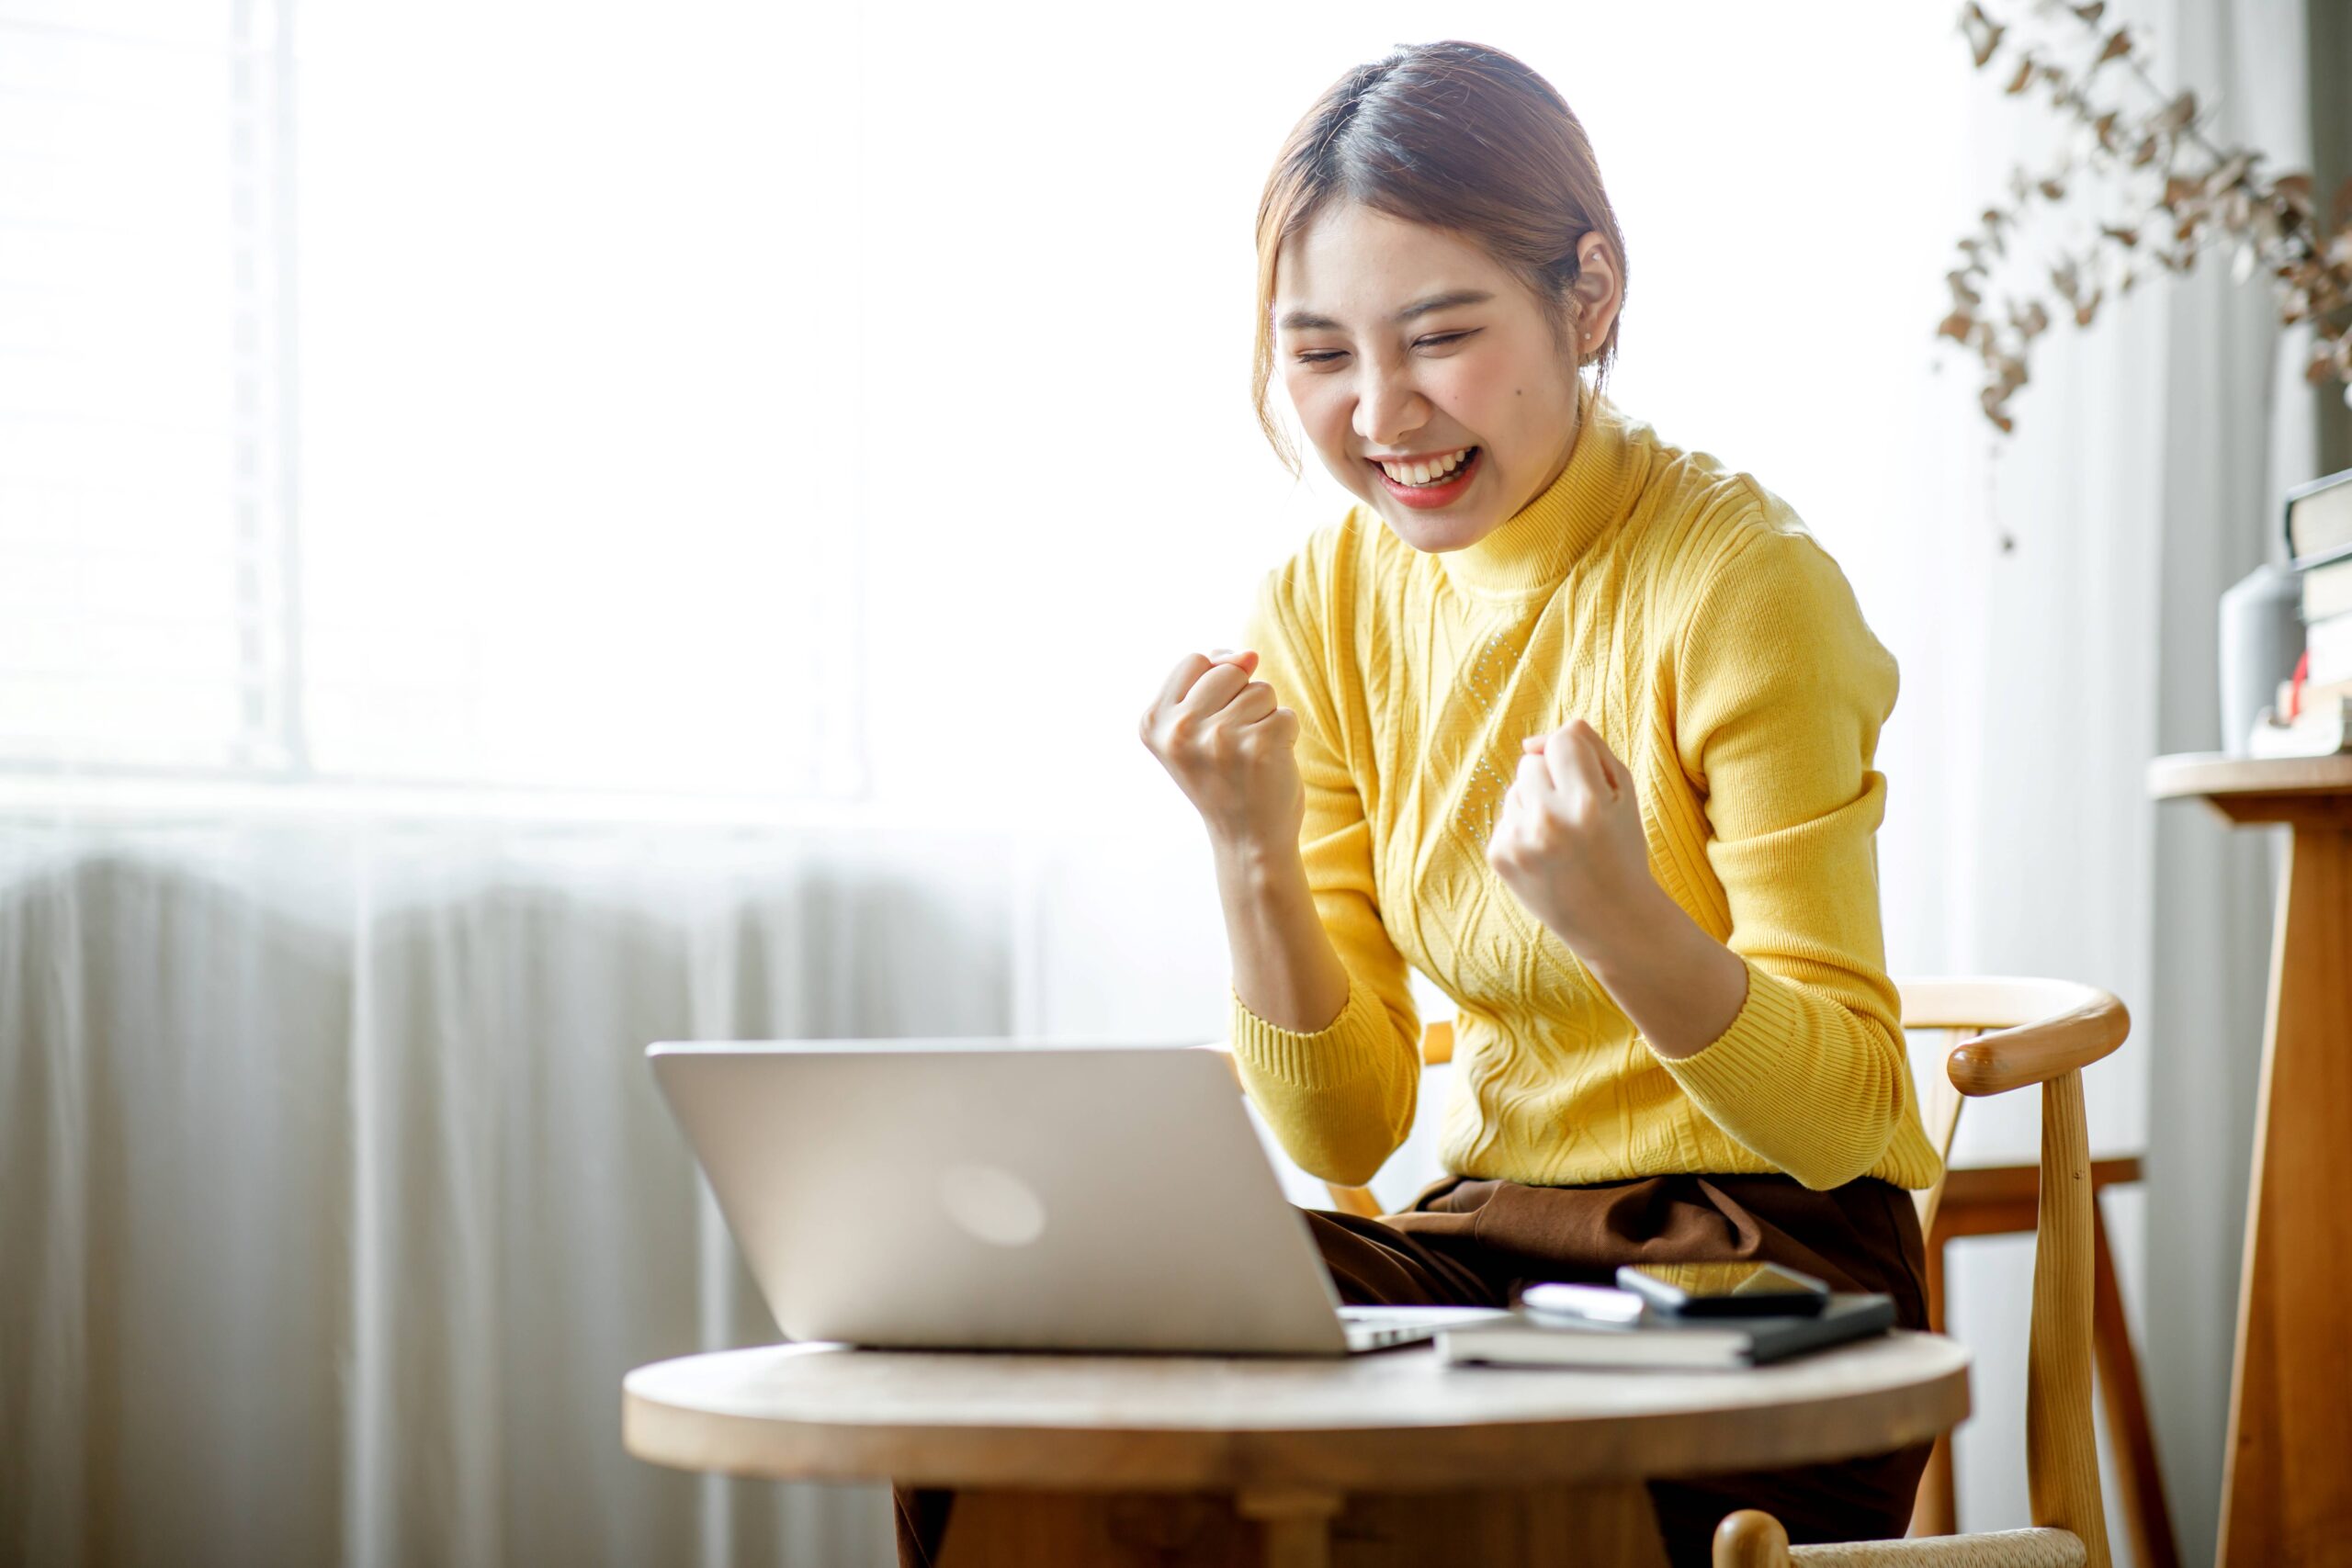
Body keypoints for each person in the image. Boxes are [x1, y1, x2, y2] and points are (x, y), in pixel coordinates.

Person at [899, 39, 1939, 1568]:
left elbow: (1854, 1109)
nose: (1383, 412)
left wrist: (1624, 925)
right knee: (1033, 1359)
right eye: (1320, 355)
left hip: (1760, 1272)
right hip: (1490, 1251)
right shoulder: (1326, 593)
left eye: (1440, 335)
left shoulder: (1741, 584)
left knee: (1410, 1508)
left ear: (1587, 298)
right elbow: (1356, 1121)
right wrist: (1250, 853)